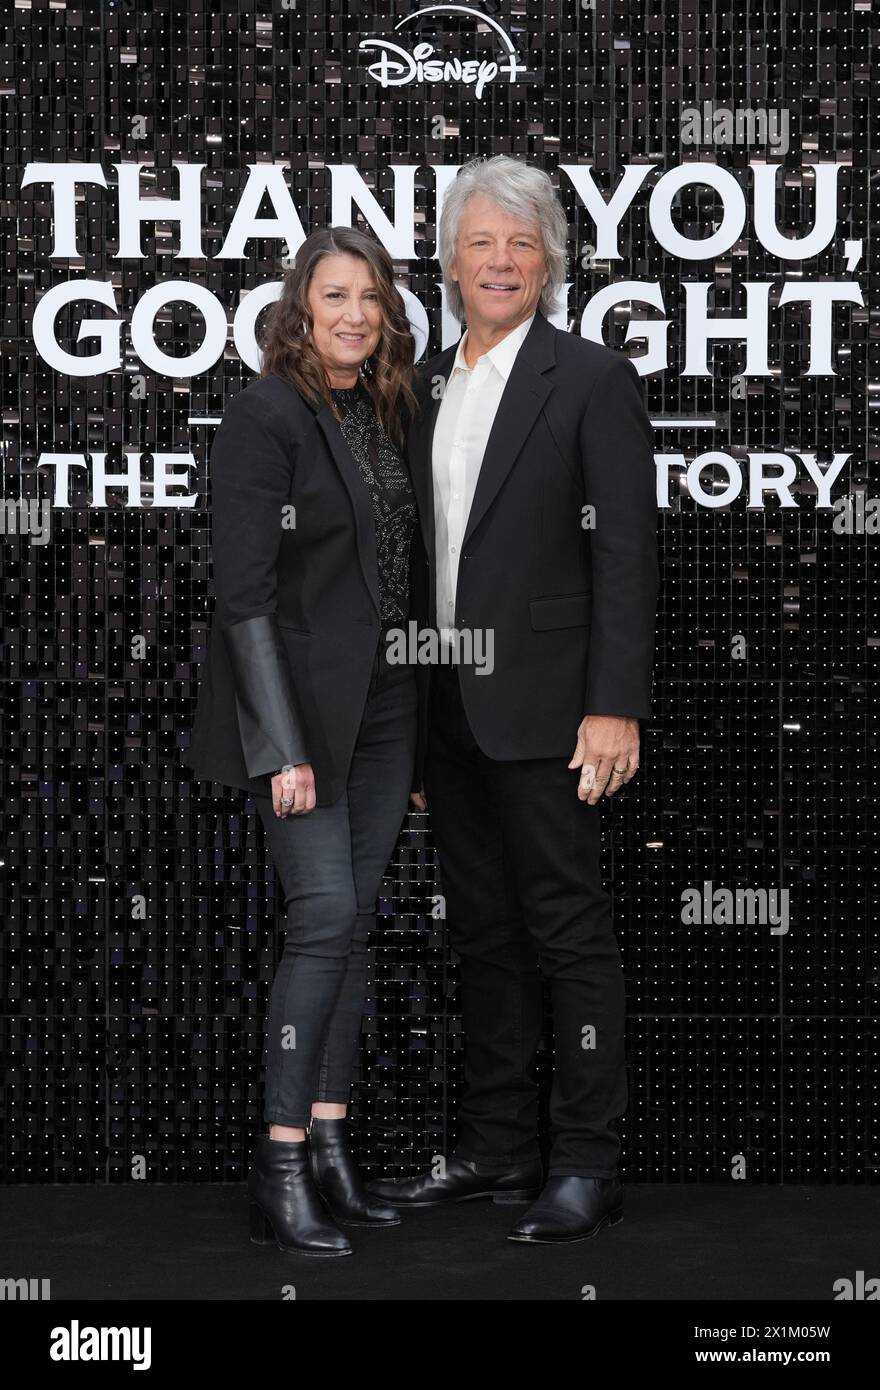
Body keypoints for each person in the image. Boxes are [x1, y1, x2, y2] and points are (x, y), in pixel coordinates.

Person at [367, 155, 660, 1244]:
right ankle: (496, 1149)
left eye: (521, 244)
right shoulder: (421, 384)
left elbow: (626, 555)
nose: (500, 260)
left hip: (552, 710)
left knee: (567, 932)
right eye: (480, 242)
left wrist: (613, 705)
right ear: (448, 262)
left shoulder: (587, 378)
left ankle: (587, 1161)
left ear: (549, 264)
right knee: (482, 936)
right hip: (444, 712)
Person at [184, 226, 423, 1256]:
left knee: (355, 922)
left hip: (386, 712)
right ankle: (277, 1164)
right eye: (335, 296)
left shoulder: (384, 408)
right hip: (303, 721)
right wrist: (281, 747)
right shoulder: (263, 413)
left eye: (369, 297)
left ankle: (330, 1147)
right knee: (322, 917)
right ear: (300, 307)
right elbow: (242, 598)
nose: (355, 315)